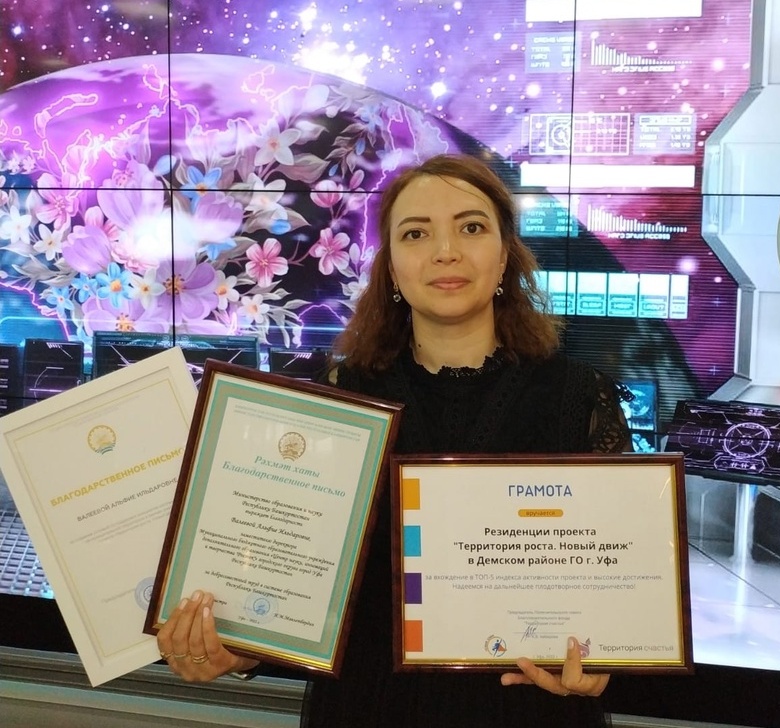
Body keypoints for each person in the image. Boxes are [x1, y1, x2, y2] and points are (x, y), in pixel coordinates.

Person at [157, 153, 630, 727]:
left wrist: (607, 657)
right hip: (369, 708)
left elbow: (617, 587)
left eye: (471, 227)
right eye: (415, 233)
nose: (445, 251)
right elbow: (287, 571)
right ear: (392, 267)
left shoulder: (579, 398)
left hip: (530, 709)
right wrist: (242, 646)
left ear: (505, 254)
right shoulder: (333, 400)